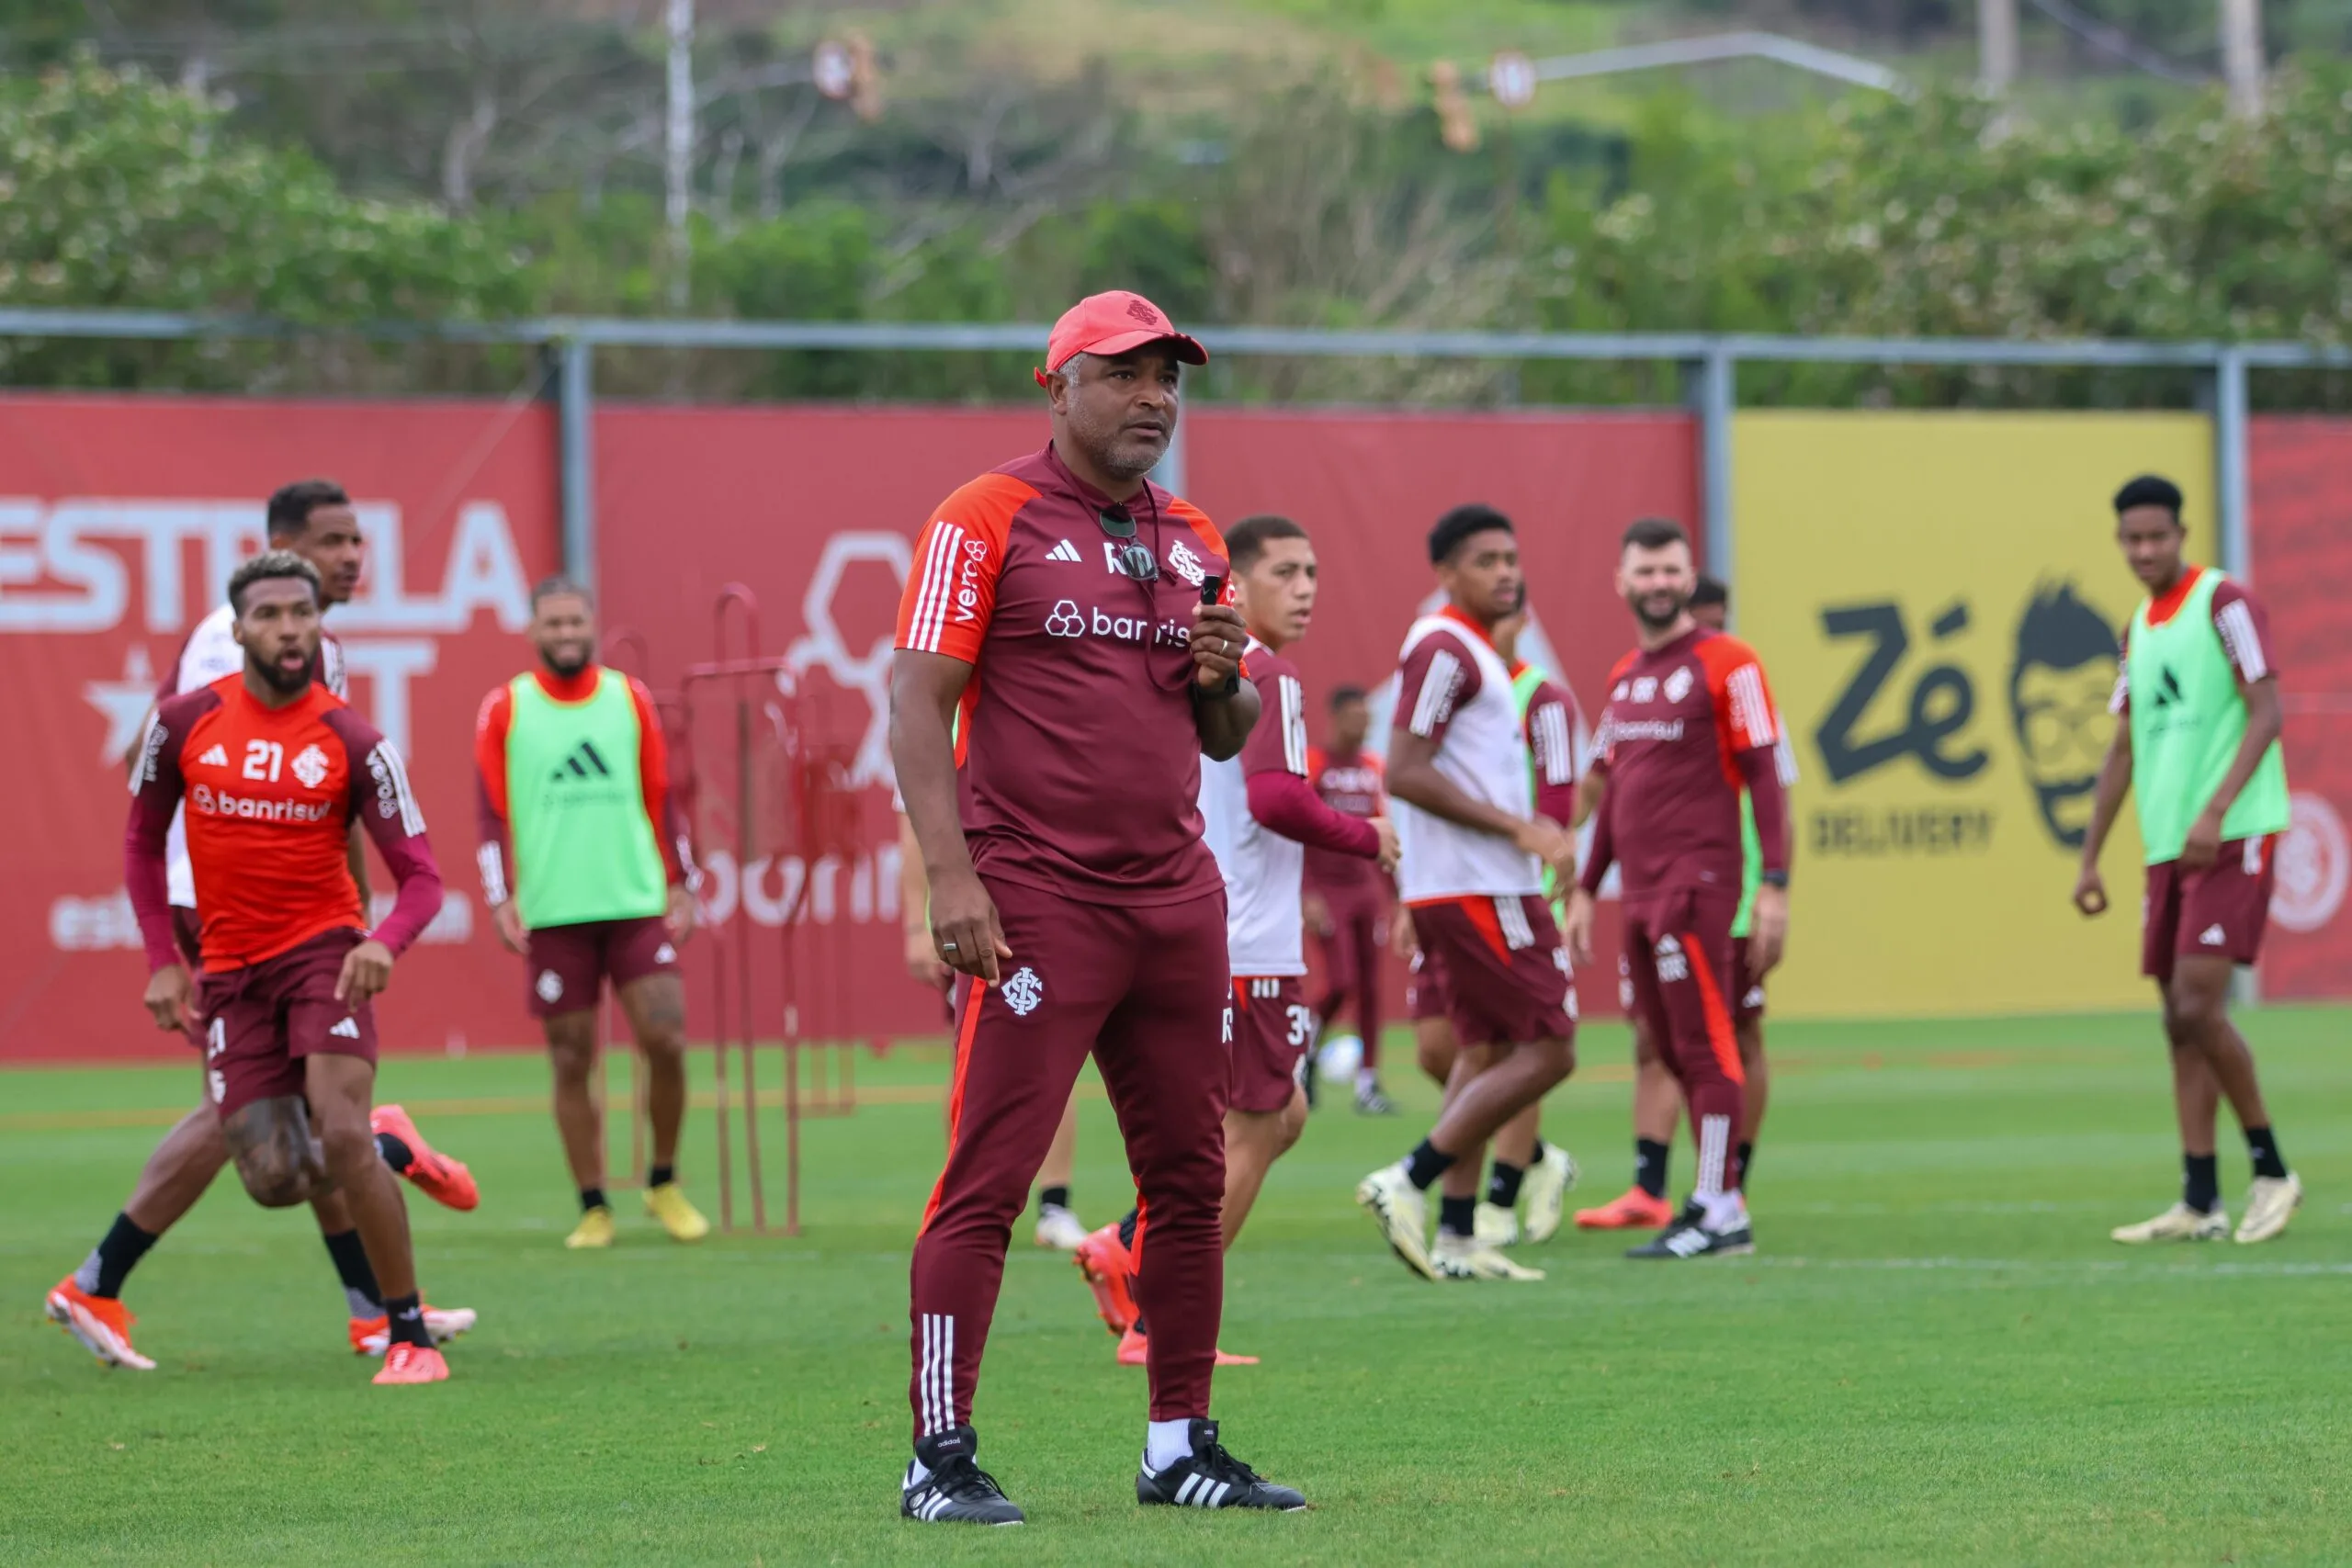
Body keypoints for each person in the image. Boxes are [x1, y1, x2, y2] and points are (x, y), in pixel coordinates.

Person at [891, 290, 1302, 1523]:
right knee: (989, 1180)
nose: (1154, 399)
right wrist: (950, 875)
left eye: (1169, 377)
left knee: (1184, 1178)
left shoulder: (1190, 533)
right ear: (1055, 385)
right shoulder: (984, 516)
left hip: (1176, 897)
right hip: (1037, 895)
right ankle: (938, 1455)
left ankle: (1179, 1441)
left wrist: (1226, 677)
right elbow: (916, 702)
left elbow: (1220, 733)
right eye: (1125, 374)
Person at [44, 483, 476, 1374]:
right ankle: (379, 1176)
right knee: (269, 1154)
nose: (353, 557)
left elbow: (363, 830)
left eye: (359, 542)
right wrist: (167, 943)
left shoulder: (341, 711)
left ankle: (376, 1312)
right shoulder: (219, 666)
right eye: (333, 542)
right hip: (213, 915)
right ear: (248, 613)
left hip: (310, 936)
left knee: (321, 1119)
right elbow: (153, 778)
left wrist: (363, 929)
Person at [1072, 514, 1399, 1367]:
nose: (1305, 589)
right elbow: (1277, 801)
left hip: (1216, 930)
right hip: (1250, 943)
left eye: (1313, 572)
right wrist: (1372, 838)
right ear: (1236, 586)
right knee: (1252, 1130)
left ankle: (1122, 1242)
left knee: (1279, 1113)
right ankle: (1159, 1323)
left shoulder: (1192, 666)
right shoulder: (1269, 674)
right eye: (1285, 572)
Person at [2074, 474, 2301, 1245]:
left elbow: (2267, 708)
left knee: (2200, 1005)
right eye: (2132, 539)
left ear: (2181, 533)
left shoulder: (2225, 602)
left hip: (2233, 833)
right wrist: (2090, 855)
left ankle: (2272, 1169)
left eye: (2157, 536)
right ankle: (2200, 1198)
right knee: (2177, 1021)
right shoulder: (2137, 626)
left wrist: (2216, 808)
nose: (2145, 550)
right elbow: (2125, 744)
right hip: (2169, 846)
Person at [1355, 505, 1578, 1283]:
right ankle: (1407, 1178)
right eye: (1486, 559)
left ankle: (1455, 1234)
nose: (1506, 571)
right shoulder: (1446, 645)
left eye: (1512, 557)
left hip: (1464, 884)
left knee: (1482, 1050)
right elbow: (1406, 767)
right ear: (1447, 574)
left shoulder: (1475, 652)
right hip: (1482, 886)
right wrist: (1518, 829)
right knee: (1551, 1047)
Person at [1564, 519, 1791, 1261]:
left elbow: (1765, 775)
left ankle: (1721, 1204)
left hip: (1700, 886)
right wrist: (1586, 888)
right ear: (1621, 582)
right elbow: (1615, 790)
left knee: (1708, 1045)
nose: (1659, 583)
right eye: (1646, 571)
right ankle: (1706, 1198)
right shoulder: (1624, 674)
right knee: (1665, 1045)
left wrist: (1775, 887)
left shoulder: (1732, 662)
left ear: (1690, 578)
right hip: (1641, 893)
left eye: (1671, 570)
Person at [475, 578, 708, 1249]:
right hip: (554, 910)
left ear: (592, 623)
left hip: (633, 901)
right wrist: (498, 896)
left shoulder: (627, 697)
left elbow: (664, 793)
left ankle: (662, 1180)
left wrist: (683, 882)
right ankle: (593, 1204)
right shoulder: (505, 707)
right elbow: (490, 812)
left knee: (665, 1037)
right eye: (553, 623)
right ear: (533, 630)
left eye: (576, 621)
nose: (566, 633)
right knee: (571, 1056)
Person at [900, 797, 1091, 1250]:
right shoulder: (926, 734)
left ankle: (1054, 1205)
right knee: (972, 1062)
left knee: (1056, 1054)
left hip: (1047, 912)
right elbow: (912, 827)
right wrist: (913, 927)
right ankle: (964, 1200)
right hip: (968, 924)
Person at [1467, 596, 1584, 1248]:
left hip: (1521, 895)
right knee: (1443, 1049)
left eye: (1509, 617)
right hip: (1456, 894)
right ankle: (1541, 1157)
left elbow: (1559, 804)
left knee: (1524, 1046)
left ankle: (1497, 1203)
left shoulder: (1542, 700)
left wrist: (1551, 896)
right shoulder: (1454, 690)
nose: (1498, 629)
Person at [1304, 686, 1397, 1112]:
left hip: (1365, 891)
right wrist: (1306, 892)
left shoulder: (1373, 768)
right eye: (1355, 717)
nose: (1363, 725)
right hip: (1327, 890)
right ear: (1336, 718)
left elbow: (1382, 836)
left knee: (1371, 987)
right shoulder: (1315, 765)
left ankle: (1368, 1084)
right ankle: (1303, 1053)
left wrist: (1399, 899)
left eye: (1367, 718)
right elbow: (1297, 827)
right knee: (1339, 981)